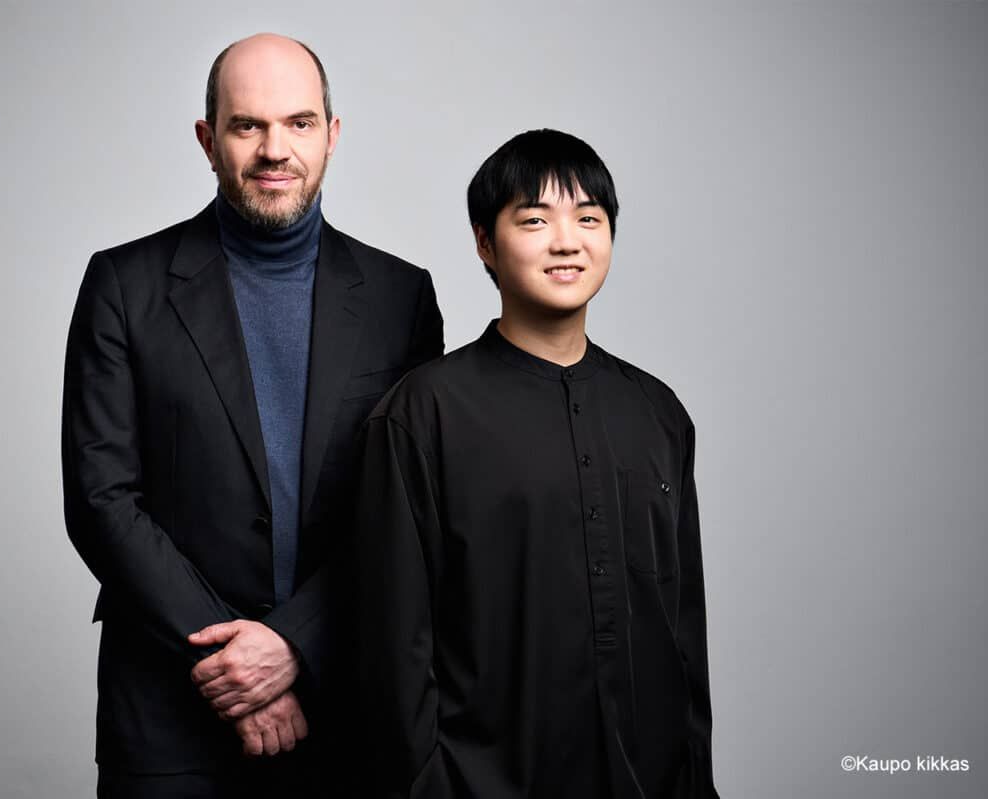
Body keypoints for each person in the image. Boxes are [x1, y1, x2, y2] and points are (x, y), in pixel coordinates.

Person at [61, 32, 444, 797]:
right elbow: (102, 501)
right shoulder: (123, 286)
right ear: (209, 141)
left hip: (347, 709)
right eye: (247, 125)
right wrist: (233, 664)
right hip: (167, 714)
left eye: (299, 123)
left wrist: (294, 642)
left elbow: (410, 510)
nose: (275, 149)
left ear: (332, 135)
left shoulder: (402, 298)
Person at [352, 128, 718, 798]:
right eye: (535, 220)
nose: (566, 241)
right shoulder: (423, 414)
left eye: (589, 219)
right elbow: (394, 650)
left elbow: (684, 632)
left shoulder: (658, 413)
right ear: (484, 243)